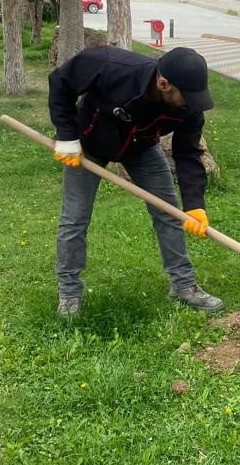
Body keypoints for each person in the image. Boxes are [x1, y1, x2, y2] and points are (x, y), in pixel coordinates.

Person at [48, 45, 224, 317]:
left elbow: (188, 153)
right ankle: (69, 292)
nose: (190, 104)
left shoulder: (189, 107)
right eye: (186, 97)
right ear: (163, 84)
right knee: (75, 218)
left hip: (141, 147)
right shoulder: (112, 66)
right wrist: (67, 137)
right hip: (88, 145)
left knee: (169, 213)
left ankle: (184, 286)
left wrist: (194, 205)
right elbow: (61, 81)